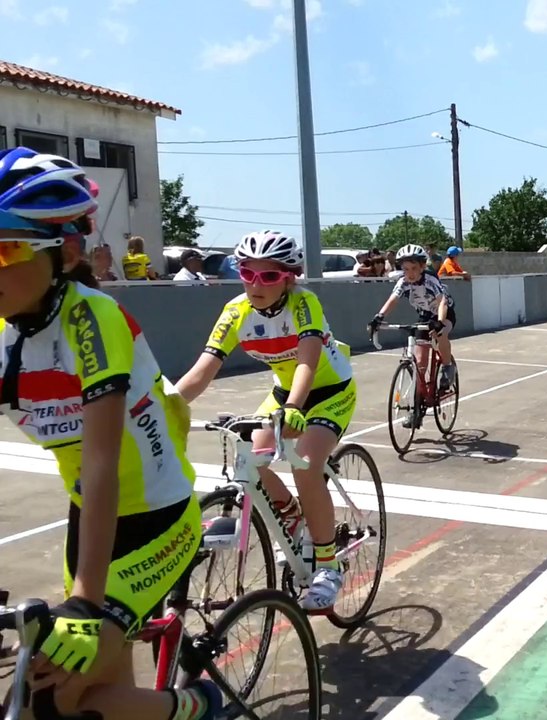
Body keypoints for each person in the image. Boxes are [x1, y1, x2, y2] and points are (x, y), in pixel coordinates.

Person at [0, 147, 220, 719]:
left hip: (156, 519)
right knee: (92, 697)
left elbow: (102, 462)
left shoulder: (92, 317)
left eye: (4, 249)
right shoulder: (4, 336)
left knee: (45, 698)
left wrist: (84, 600)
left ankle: (197, 705)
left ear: (66, 252)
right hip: (89, 519)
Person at [176, 230, 355, 611]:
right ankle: (291, 515)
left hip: (328, 392)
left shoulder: (304, 304)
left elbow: (307, 361)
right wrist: (164, 407)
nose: (256, 284)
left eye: (269, 276)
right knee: (251, 459)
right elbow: (202, 370)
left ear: (288, 277)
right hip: (284, 393)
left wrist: (293, 407)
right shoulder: (235, 311)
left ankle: (328, 564)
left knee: (304, 463)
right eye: (247, 273)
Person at [369, 243, 458, 424]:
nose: (410, 273)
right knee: (420, 364)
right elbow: (393, 299)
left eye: (414, 268)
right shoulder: (403, 282)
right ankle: (416, 410)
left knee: (440, 335)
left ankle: (448, 366)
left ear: (423, 267)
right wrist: (379, 316)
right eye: (406, 268)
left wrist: (440, 322)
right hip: (425, 315)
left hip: (444, 313)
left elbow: (442, 302)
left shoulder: (430, 279)